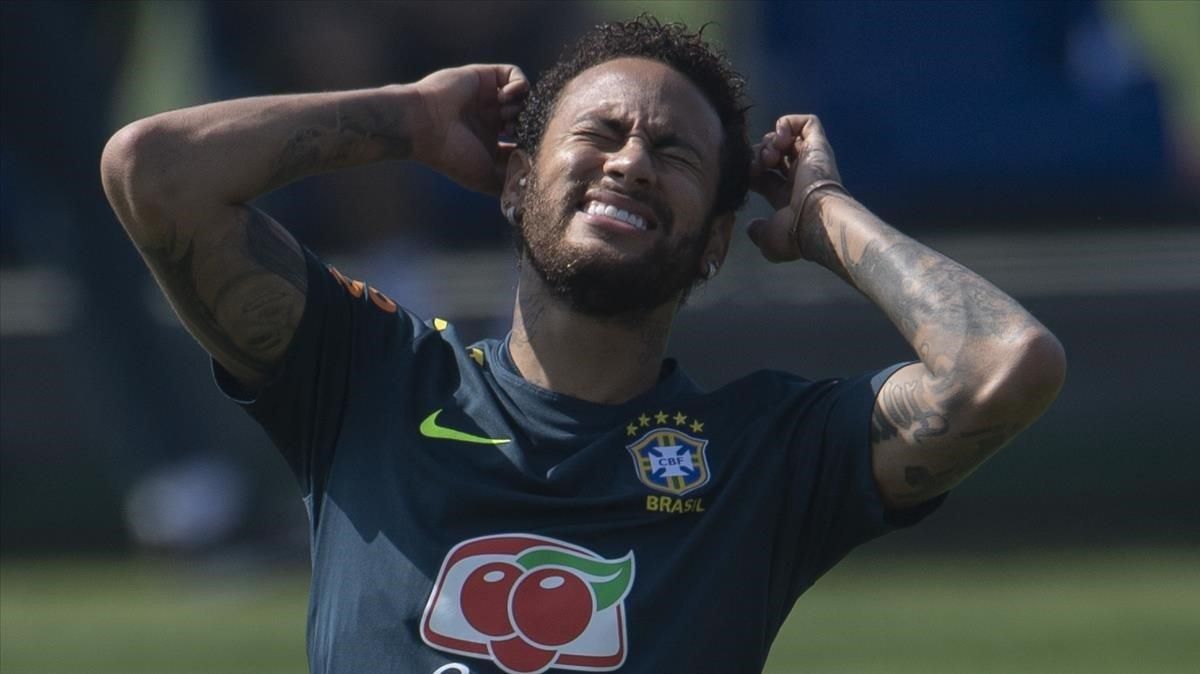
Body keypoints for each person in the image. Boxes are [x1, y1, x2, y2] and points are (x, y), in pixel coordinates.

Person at [101, 16, 1065, 674]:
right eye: (598, 132)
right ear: (515, 184)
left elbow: (1002, 367)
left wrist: (822, 211)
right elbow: (153, 172)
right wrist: (410, 118)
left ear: (717, 242)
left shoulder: (767, 456)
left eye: (676, 152)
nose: (632, 160)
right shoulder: (367, 376)